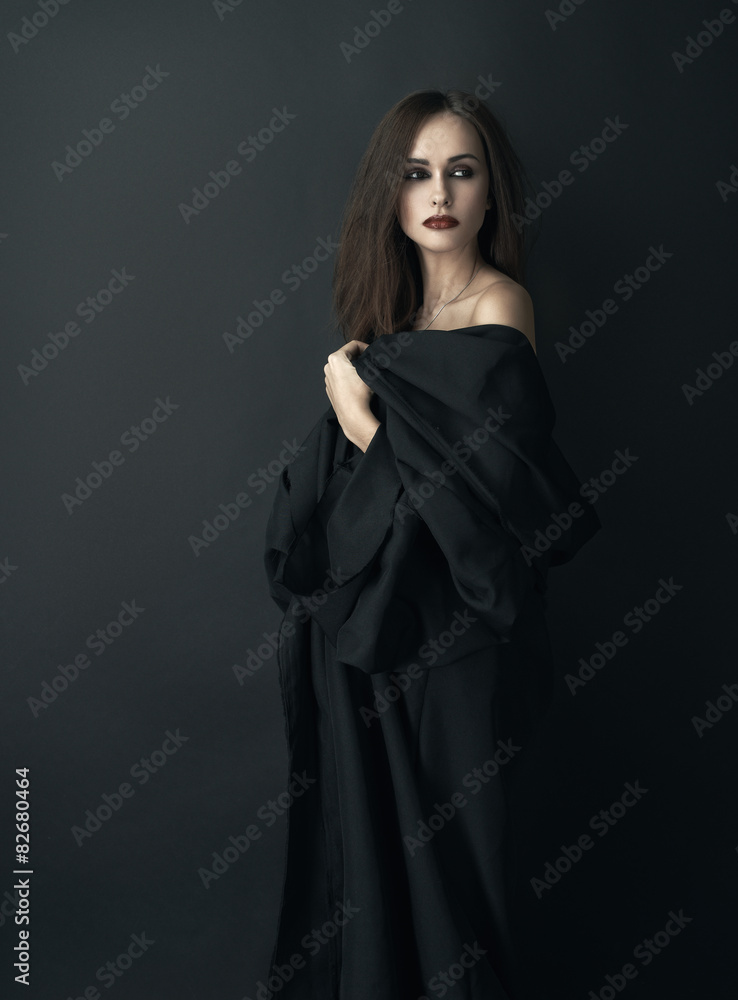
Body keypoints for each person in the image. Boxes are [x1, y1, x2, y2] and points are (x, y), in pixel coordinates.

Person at [263, 89, 601, 999]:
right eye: (416, 173)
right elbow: (355, 509)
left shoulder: (502, 306)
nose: (439, 193)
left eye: (461, 171)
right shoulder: (391, 327)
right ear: (391, 192)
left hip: (461, 642)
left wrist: (363, 427)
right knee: (376, 867)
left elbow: (492, 512)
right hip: (381, 639)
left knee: (461, 874)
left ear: (491, 193)